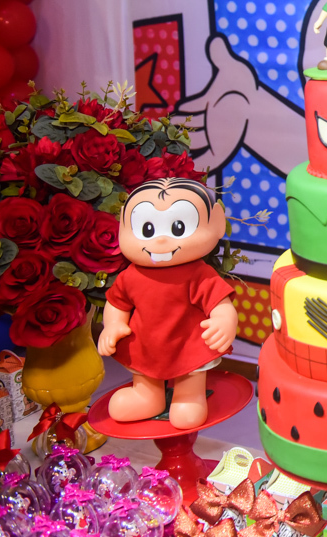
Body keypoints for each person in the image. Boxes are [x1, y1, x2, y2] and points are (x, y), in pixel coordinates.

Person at [97, 178, 238, 430]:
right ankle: (147, 397)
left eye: (178, 226)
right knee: (144, 373)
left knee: (189, 381)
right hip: (145, 344)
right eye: (148, 229)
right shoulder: (131, 275)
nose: (160, 240)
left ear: (216, 224)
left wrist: (223, 321)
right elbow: (117, 302)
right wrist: (113, 325)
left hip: (187, 343)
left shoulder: (198, 273)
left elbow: (220, 303)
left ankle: (189, 396)